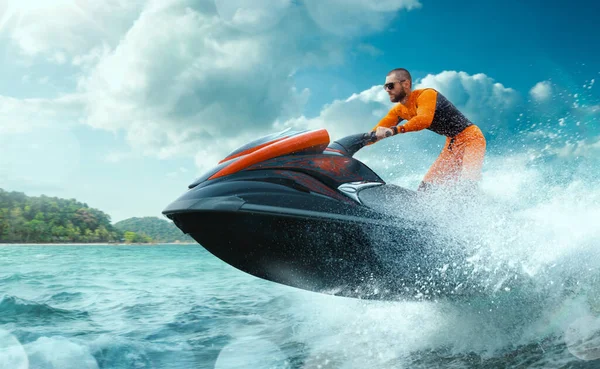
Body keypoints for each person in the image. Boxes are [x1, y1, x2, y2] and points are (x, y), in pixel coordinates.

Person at [371, 68, 486, 192]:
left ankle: (482, 209)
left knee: (467, 185)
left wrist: (396, 130)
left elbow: (424, 120)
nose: (387, 90)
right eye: (385, 87)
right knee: (426, 188)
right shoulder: (398, 111)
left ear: (406, 84)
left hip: (472, 138)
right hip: (452, 143)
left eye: (390, 86)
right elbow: (376, 131)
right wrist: (358, 143)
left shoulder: (426, 95)